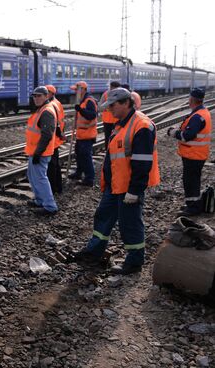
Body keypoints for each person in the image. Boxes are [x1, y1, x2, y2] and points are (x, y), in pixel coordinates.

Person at [74, 88, 160, 275]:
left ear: (126, 103)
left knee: (129, 223)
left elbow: (142, 163)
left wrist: (135, 191)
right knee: (102, 216)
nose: (110, 110)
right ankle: (95, 250)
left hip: (128, 187)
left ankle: (134, 262)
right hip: (115, 185)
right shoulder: (122, 123)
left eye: (113, 106)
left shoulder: (142, 126)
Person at [167, 88, 211, 216]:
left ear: (192, 100)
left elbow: (187, 136)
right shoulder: (202, 112)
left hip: (194, 155)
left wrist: (173, 132)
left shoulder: (198, 116)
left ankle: (193, 208)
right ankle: (192, 204)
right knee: (192, 180)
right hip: (197, 154)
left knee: (190, 181)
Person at [25, 86, 58, 215]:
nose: (36, 98)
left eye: (39, 96)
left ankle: (50, 206)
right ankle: (40, 200)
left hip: (40, 152)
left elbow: (47, 135)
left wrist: (38, 153)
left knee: (40, 178)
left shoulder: (47, 111)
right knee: (33, 177)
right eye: (34, 96)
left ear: (46, 96)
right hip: (35, 151)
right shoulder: (42, 109)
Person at [69, 81, 97, 186]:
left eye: (77, 90)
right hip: (81, 133)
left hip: (88, 134)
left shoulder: (89, 101)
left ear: (83, 90)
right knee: (79, 154)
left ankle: (89, 178)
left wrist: (80, 110)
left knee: (85, 156)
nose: (75, 92)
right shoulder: (82, 100)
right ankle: (79, 173)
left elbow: (92, 115)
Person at [45, 85, 64, 194]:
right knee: (55, 165)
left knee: (52, 167)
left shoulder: (51, 105)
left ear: (51, 93)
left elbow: (56, 124)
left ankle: (53, 189)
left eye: (46, 92)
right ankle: (58, 187)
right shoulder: (57, 103)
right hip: (56, 139)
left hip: (53, 140)